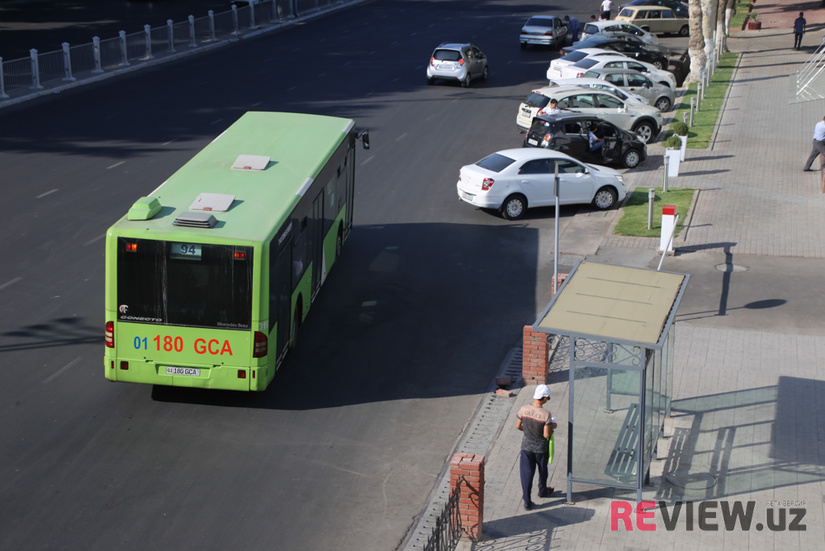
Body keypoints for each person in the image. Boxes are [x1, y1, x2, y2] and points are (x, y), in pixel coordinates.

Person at [516, 384, 557, 510]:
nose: (548, 400)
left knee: (526, 474)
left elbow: (518, 426)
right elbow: (546, 435)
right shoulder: (546, 414)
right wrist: (552, 426)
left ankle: (527, 502)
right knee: (542, 471)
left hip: (526, 447)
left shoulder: (523, 409)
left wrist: (527, 432)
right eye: (548, 398)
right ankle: (542, 490)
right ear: (544, 398)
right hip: (540, 449)